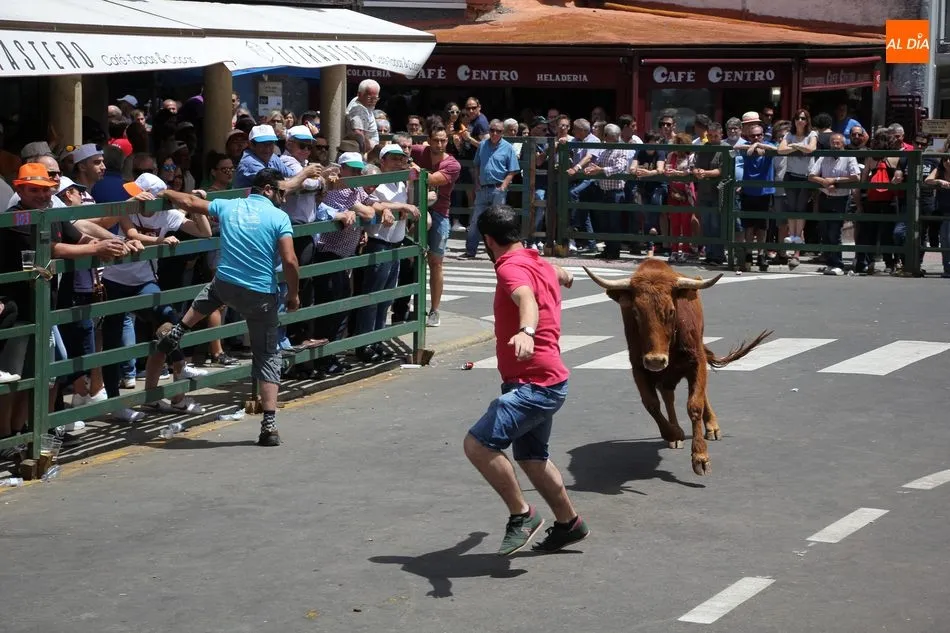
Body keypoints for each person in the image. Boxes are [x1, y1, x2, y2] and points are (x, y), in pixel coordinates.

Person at [463, 204, 590, 556]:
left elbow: (525, 298)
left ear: (488, 240)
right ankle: (569, 523)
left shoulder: (509, 269)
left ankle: (523, 515)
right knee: (533, 458)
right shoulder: (536, 261)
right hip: (549, 380)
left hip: (534, 384)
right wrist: (564, 276)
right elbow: (558, 274)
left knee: (478, 445)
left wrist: (527, 331)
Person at [155, 169, 300, 447]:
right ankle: (268, 425)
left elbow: (187, 203)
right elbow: (290, 260)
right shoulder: (279, 217)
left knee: (211, 291)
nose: (284, 197)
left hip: (227, 284)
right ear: (268, 190)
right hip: (261, 293)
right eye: (282, 191)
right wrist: (293, 295)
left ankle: (180, 328)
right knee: (268, 354)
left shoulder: (230, 205)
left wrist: (165, 193)